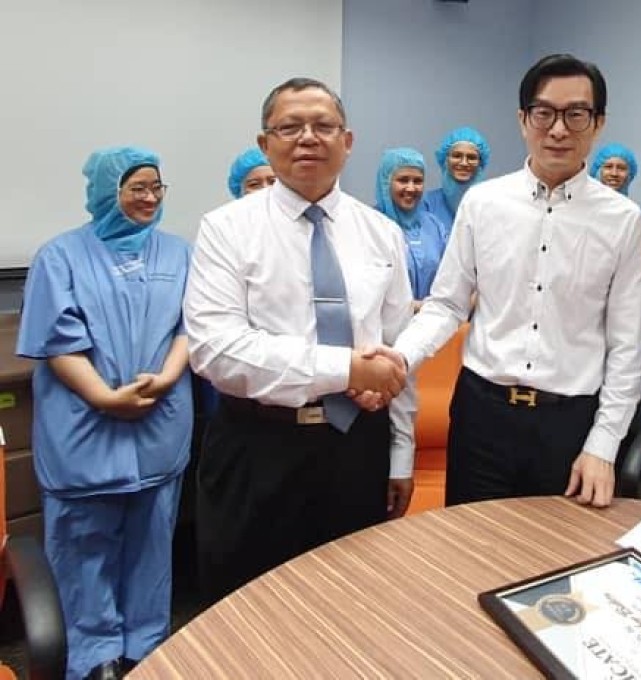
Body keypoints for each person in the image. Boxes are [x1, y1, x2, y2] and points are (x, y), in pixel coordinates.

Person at [184, 77, 415, 605]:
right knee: (247, 609)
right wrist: (346, 370)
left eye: (323, 126)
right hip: (257, 446)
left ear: (348, 141)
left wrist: (400, 453)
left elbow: (398, 352)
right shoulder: (226, 229)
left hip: (357, 447)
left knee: (349, 603)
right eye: (290, 127)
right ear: (264, 144)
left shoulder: (382, 233)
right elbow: (216, 349)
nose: (307, 137)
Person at [386, 54, 641, 508]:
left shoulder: (623, 220)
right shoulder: (483, 203)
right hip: (481, 416)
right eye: (544, 113)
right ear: (523, 119)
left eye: (576, 114)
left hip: (569, 424)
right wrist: (397, 361)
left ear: (598, 123)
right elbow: (448, 305)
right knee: (471, 554)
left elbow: (626, 345)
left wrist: (604, 445)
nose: (559, 129)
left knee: (556, 563)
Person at [16, 147, 192, 680]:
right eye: (136, 187)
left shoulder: (179, 253)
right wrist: (103, 396)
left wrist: (163, 378)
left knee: (151, 545)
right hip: (86, 428)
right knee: (82, 548)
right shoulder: (60, 256)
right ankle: (92, 657)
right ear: (105, 193)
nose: (149, 198)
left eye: (156, 187)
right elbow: (57, 340)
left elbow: (192, 326)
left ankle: (146, 646)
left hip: (160, 423)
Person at [589, 142, 641, 494]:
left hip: (628, 320)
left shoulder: (640, 215)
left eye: (621, 168)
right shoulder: (582, 209)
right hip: (586, 323)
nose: (614, 173)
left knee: (625, 397)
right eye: (607, 166)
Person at [375, 147, 450, 306]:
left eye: (417, 181)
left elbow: (451, 276)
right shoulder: (371, 226)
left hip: (432, 326)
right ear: (386, 182)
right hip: (387, 327)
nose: (411, 188)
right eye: (403, 180)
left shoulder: (434, 226)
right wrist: (419, 308)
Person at [421, 126, 490, 234]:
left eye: (471, 157)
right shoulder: (426, 204)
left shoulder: (490, 205)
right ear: (445, 160)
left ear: (480, 164)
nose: (463, 163)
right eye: (457, 156)